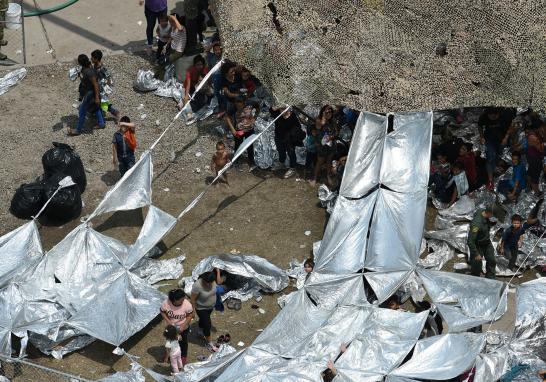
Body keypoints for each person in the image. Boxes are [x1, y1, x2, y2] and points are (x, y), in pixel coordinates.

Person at [68, 54, 104, 136]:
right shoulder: (85, 68)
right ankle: (101, 123)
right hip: (88, 92)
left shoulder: (89, 72)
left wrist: (97, 97)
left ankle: (78, 130)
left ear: (80, 62)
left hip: (90, 93)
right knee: (96, 107)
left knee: (82, 110)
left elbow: (96, 84)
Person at [479, 108, 513, 190]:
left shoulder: (504, 115)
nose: (493, 116)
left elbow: (511, 125)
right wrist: (481, 136)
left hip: (502, 139)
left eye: (495, 115)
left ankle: (500, 172)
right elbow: (479, 125)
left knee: (501, 155)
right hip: (489, 139)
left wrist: (506, 137)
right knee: (490, 156)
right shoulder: (484, 117)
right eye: (490, 115)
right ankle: (490, 180)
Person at [160, 289, 193, 371]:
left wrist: (183, 325)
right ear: (174, 300)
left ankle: (183, 356)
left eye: (184, 298)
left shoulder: (187, 304)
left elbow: (190, 315)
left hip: (183, 327)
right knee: (170, 341)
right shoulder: (166, 303)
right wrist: (168, 321)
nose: (183, 300)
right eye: (181, 300)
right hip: (171, 328)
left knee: (183, 342)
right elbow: (162, 311)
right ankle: (169, 355)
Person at [224, 96, 257, 172]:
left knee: (250, 145)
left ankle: (251, 161)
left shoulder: (250, 104)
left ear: (244, 103)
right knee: (238, 145)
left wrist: (254, 118)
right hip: (239, 130)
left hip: (249, 129)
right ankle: (236, 161)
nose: (238, 107)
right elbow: (227, 117)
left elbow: (258, 108)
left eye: (240, 106)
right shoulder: (233, 107)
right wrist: (232, 129)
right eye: (237, 106)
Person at [191, 271, 221, 352]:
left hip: (210, 307)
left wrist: (218, 271)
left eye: (210, 282)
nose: (208, 284)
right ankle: (209, 343)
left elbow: (219, 282)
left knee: (203, 320)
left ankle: (200, 331)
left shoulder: (213, 280)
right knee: (207, 325)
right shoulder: (197, 286)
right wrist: (193, 311)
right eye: (206, 282)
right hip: (201, 308)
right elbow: (193, 299)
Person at [270, 107, 301, 178]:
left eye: (285, 108)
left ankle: (292, 168)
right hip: (278, 137)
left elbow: (298, 126)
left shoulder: (292, 115)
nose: (283, 110)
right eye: (281, 108)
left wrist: (291, 133)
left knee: (291, 153)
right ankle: (281, 163)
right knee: (281, 151)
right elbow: (271, 110)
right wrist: (278, 107)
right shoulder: (277, 114)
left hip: (289, 139)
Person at [311, 105, 338, 187]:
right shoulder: (319, 120)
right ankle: (314, 178)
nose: (329, 113)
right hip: (321, 145)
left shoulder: (333, 121)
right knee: (320, 162)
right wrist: (324, 118)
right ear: (323, 112)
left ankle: (328, 177)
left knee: (329, 161)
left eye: (330, 112)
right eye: (327, 111)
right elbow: (318, 128)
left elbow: (336, 132)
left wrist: (331, 137)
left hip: (331, 144)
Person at [91, 49, 120, 122]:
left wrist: (108, 87)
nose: (91, 59)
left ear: (97, 59)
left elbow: (108, 76)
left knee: (103, 103)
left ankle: (115, 112)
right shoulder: (95, 65)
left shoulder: (102, 68)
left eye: (92, 58)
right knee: (101, 102)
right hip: (98, 86)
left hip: (102, 88)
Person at [467, 206, 496, 279]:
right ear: (489, 213)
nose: (493, 216)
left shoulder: (481, 210)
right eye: (493, 214)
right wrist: (476, 254)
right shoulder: (477, 224)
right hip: (478, 245)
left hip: (486, 242)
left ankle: (490, 278)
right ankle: (475, 279)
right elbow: (470, 241)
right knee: (477, 265)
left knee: (492, 260)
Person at [156, 14, 186, 81]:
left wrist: (174, 19)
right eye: (170, 21)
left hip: (178, 51)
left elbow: (180, 28)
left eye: (172, 21)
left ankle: (158, 77)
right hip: (172, 47)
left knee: (164, 61)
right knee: (162, 60)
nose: (170, 23)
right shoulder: (173, 28)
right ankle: (160, 75)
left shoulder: (182, 28)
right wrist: (165, 46)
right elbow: (171, 37)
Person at [524, 125, 544, 195]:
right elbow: (541, 150)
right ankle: (537, 192)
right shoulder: (533, 137)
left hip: (531, 157)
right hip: (535, 158)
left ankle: (528, 185)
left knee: (530, 172)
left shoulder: (533, 136)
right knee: (535, 175)